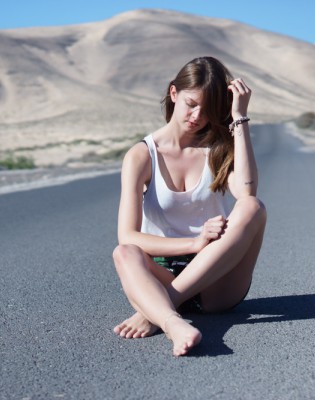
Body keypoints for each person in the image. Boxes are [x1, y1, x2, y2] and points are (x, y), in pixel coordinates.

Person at [112, 56, 266, 357]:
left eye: (207, 110)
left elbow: (247, 191)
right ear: (174, 94)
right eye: (191, 104)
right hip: (161, 271)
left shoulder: (216, 149)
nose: (197, 116)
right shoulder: (141, 156)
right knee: (124, 252)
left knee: (252, 207)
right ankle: (173, 324)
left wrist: (239, 117)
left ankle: (157, 309)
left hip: (216, 281)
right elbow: (127, 236)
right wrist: (194, 243)